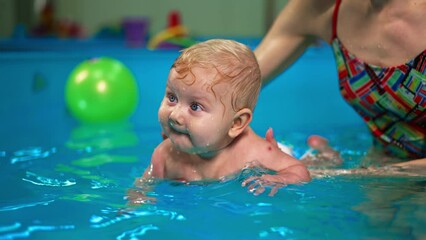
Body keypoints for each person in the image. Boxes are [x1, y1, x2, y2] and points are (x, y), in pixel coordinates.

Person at [255, 0, 426, 165]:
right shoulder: (325, 8)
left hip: (386, 173)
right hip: (383, 166)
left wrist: (372, 174)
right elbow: (237, 83)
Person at [134, 39, 311, 197]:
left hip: (281, 153)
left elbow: (299, 171)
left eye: (195, 106)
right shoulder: (165, 156)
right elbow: (142, 188)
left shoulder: (253, 153)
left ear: (236, 123)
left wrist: (280, 179)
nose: (175, 115)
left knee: (316, 166)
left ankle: (321, 151)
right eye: (172, 97)